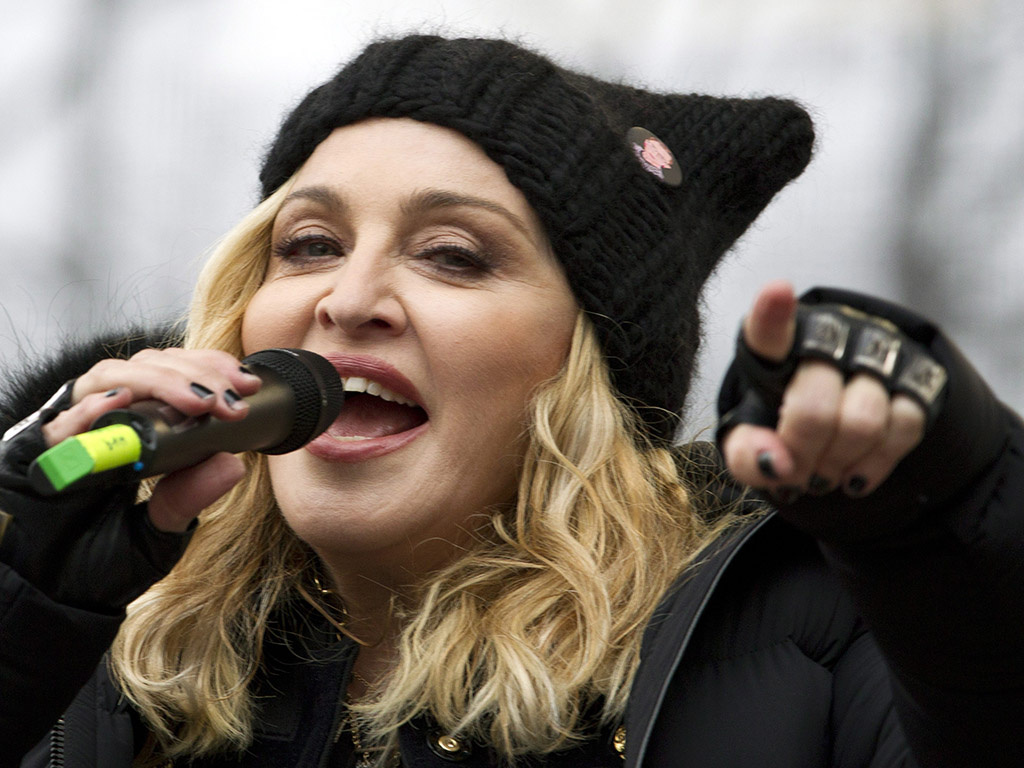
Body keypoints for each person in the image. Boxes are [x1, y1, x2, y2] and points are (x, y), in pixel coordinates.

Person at [0, 34, 1021, 768]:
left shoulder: (811, 633)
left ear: (587, 374)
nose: (348, 300)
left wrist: (951, 534)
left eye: (451, 256)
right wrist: (21, 612)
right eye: (309, 244)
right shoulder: (116, 638)